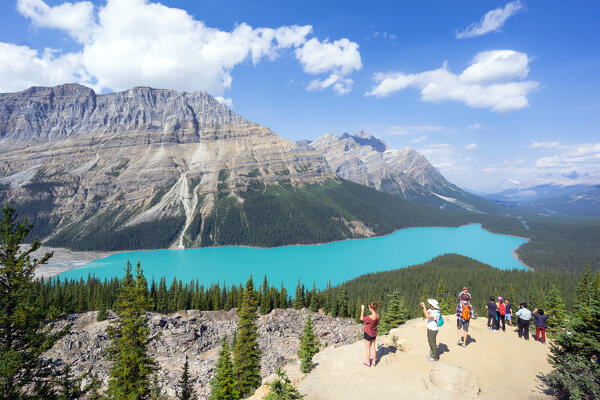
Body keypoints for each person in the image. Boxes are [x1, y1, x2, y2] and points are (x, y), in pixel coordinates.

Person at [360, 302, 379, 367]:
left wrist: (362, 310)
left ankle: (368, 363)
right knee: (373, 347)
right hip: (374, 333)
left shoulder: (369, 317)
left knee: (367, 348)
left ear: (371, 309)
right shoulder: (377, 316)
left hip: (368, 333)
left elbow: (361, 319)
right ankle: (374, 362)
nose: (369, 309)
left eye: (369, 308)